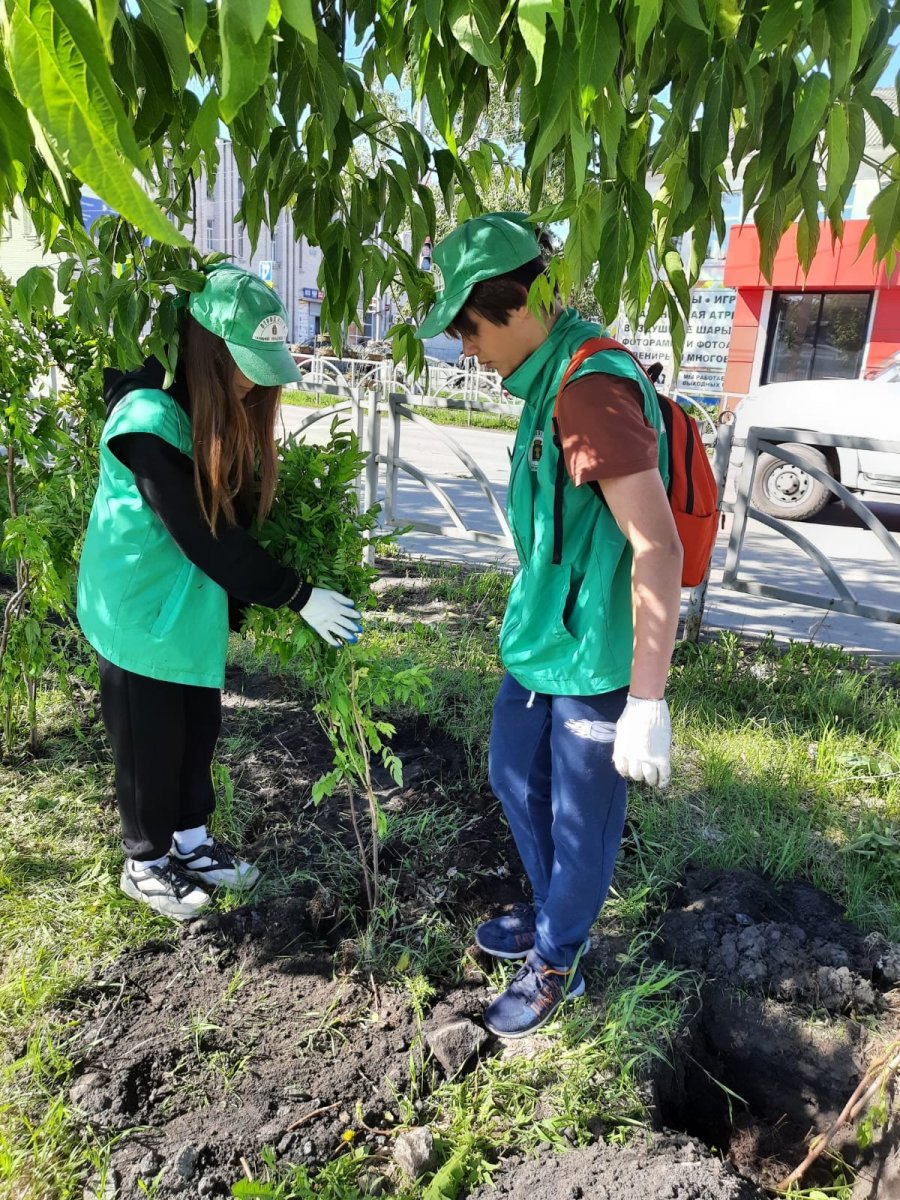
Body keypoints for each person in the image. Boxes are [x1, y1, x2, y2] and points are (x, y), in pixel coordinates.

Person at [415, 214, 683, 1038]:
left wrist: (647, 700)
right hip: (541, 645)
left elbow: (658, 548)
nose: (466, 349)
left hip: (596, 663)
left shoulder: (589, 392)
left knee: (581, 820)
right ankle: (550, 916)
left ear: (518, 304)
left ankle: (559, 956)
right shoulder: (546, 379)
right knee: (509, 775)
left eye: (470, 328)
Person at [77, 264, 362, 921]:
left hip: (186, 604)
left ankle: (191, 842)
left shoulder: (198, 411)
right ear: (208, 349)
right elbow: (208, 538)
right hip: (138, 610)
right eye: (245, 364)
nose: (254, 383)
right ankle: (145, 862)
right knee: (149, 741)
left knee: (196, 728)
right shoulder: (148, 419)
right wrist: (297, 595)